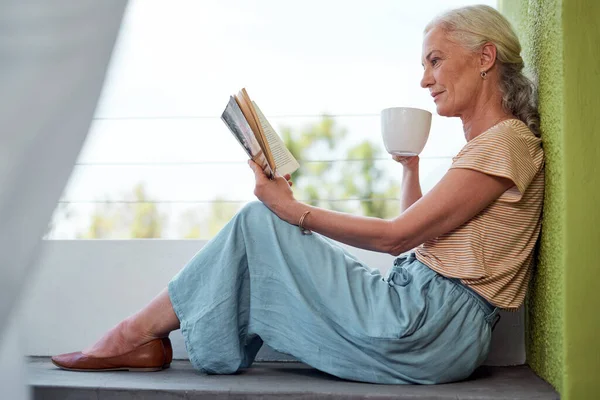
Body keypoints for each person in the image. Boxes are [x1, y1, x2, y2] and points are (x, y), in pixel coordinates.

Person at [52, 4, 544, 384]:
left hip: (427, 326)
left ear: (485, 57)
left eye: (435, 61)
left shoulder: (506, 143)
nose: (424, 79)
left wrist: (293, 209)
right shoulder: (493, 147)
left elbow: (397, 238)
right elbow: (421, 241)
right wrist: (410, 168)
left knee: (261, 221)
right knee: (263, 225)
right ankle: (138, 338)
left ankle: (130, 337)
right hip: (429, 321)